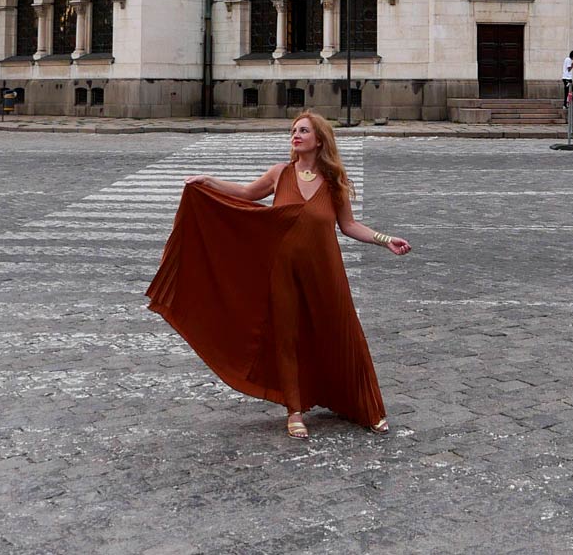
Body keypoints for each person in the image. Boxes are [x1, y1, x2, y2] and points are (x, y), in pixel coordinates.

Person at [146, 111, 410, 440]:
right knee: (287, 338)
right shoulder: (279, 174)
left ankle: (365, 407)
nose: (296, 135)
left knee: (343, 332)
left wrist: (386, 240)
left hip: (325, 271)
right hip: (282, 272)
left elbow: (349, 226)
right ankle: (294, 410)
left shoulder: (333, 183)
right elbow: (244, 194)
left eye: (303, 131)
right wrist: (207, 181)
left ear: (319, 140)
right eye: (293, 130)